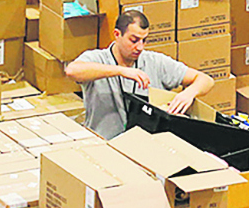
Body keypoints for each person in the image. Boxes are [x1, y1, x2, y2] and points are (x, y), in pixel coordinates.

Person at [65, 10, 215, 139]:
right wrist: (120, 70)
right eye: (134, 40)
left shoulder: (155, 62)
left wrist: (189, 93)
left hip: (146, 147)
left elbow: (206, 80)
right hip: (105, 144)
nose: (140, 47)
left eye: (144, 40)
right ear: (117, 35)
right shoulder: (97, 59)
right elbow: (72, 71)